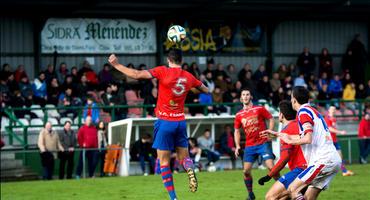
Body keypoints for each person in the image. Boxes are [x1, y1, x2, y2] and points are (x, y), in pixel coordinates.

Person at [108, 48, 209, 200]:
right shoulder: (188, 76)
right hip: (180, 121)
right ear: (181, 61)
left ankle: (173, 197)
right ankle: (190, 170)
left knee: (164, 162)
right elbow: (205, 90)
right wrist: (190, 88)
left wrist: (116, 65)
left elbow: (136, 74)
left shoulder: (163, 71)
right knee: (184, 157)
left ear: (169, 60)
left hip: (165, 122)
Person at [262, 86, 341, 200]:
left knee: (293, 189)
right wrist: (279, 134)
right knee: (308, 197)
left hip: (323, 160)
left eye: (291, 98)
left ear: (294, 100)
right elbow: (305, 136)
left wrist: (290, 141)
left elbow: (307, 138)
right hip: (331, 159)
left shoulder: (303, 112)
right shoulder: (312, 111)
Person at [259, 100, 307, 200]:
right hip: (311, 169)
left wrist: (269, 176)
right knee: (283, 197)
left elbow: (285, 158)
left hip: (300, 170)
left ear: (281, 114)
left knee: (270, 197)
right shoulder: (299, 125)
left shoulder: (286, 131)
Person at [234, 88, 275, 200]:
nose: (246, 96)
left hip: (263, 143)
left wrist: (270, 133)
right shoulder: (239, 115)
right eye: (244, 95)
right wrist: (237, 146)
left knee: (272, 168)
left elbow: (271, 119)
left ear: (250, 97)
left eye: (247, 94)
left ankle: (285, 188)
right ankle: (251, 194)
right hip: (250, 146)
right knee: (246, 171)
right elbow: (237, 131)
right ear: (241, 98)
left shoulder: (259, 108)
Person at [325, 106, 354, 176]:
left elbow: (333, 128)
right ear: (329, 110)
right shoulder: (327, 119)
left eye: (334, 109)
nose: (334, 110)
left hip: (334, 140)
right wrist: (340, 132)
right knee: (328, 157)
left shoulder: (333, 119)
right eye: (332, 109)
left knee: (340, 156)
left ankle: (344, 171)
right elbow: (330, 129)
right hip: (329, 141)